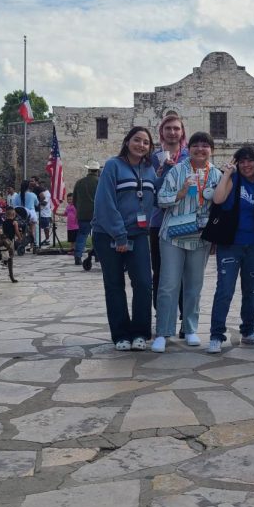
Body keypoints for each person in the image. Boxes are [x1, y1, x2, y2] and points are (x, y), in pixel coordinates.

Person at [152, 131, 222, 353]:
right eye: (196, 145)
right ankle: (164, 331)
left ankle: (190, 328)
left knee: (194, 285)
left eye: (205, 146)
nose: (200, 149)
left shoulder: (217, 175)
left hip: (199, 236)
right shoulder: (176, 171)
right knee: (168, 285)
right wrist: (180, 193)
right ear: (188, 148)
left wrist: (216, 237)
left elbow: (220, 206)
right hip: (173, 234)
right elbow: (161, 200)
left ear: (211, 150)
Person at [92, 127, 157, 350]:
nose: (141, 145)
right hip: (108, 234)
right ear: (127, 141)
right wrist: (119, 234)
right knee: (114, 284)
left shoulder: (150, 169)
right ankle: (120, 334)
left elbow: (156, 196)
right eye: (137, 140)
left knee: (144, 283)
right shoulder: (113, 165)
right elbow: (104, 202)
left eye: (146, 142)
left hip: (138, 234)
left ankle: (140, 332)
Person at [206, 146, 254, 354]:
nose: (246, 164)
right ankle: (216, 334)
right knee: (225, 290)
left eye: (250, 160)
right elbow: (218, 199)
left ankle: (249, 331)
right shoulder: (233, 181)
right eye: (242, 161)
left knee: (251, 291)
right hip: (231, 244)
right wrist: (227, 173)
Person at [150, 115, 189, 315]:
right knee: (160, 270)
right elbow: (149, 190)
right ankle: (163, 312)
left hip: (185, 218)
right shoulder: (152, 157)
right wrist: (160, 173)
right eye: (168, 128)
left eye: (176, 128)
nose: (172, 132)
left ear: (182, 132)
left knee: (184, 271)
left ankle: (185, 313)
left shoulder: (190, 156)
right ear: (162, 132)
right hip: (158, 221)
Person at [72, 161, 100, 266]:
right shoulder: (100, 182)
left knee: (82, 235)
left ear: (88, 170)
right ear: (97, 171)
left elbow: (74, 200)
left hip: (83, 214)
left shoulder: (79, 182)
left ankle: (78, 256)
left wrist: (80, 208)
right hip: (97, 214)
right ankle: (98, 255)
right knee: (98, 235)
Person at [11, 179, 39, 249]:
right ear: (28, 186)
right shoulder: (32, 195)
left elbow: (15, 206)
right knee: (32, 230)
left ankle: (21, 240)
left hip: (20, 216)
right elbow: (37, 203)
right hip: (31, 215)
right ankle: (33, 244)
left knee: (23, 228)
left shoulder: (17, 196)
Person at [37, 180, 53, 246]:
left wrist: (37, 202)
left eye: (42, 185)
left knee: (46, 228)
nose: (40, 187)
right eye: (40, 185)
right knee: (38, 227)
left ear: (45, 186)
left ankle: (47, 239)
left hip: (45, 213)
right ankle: (38, 240)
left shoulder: (47, 193)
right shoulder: (41, 192)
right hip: (40, 213)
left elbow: (44, 203)